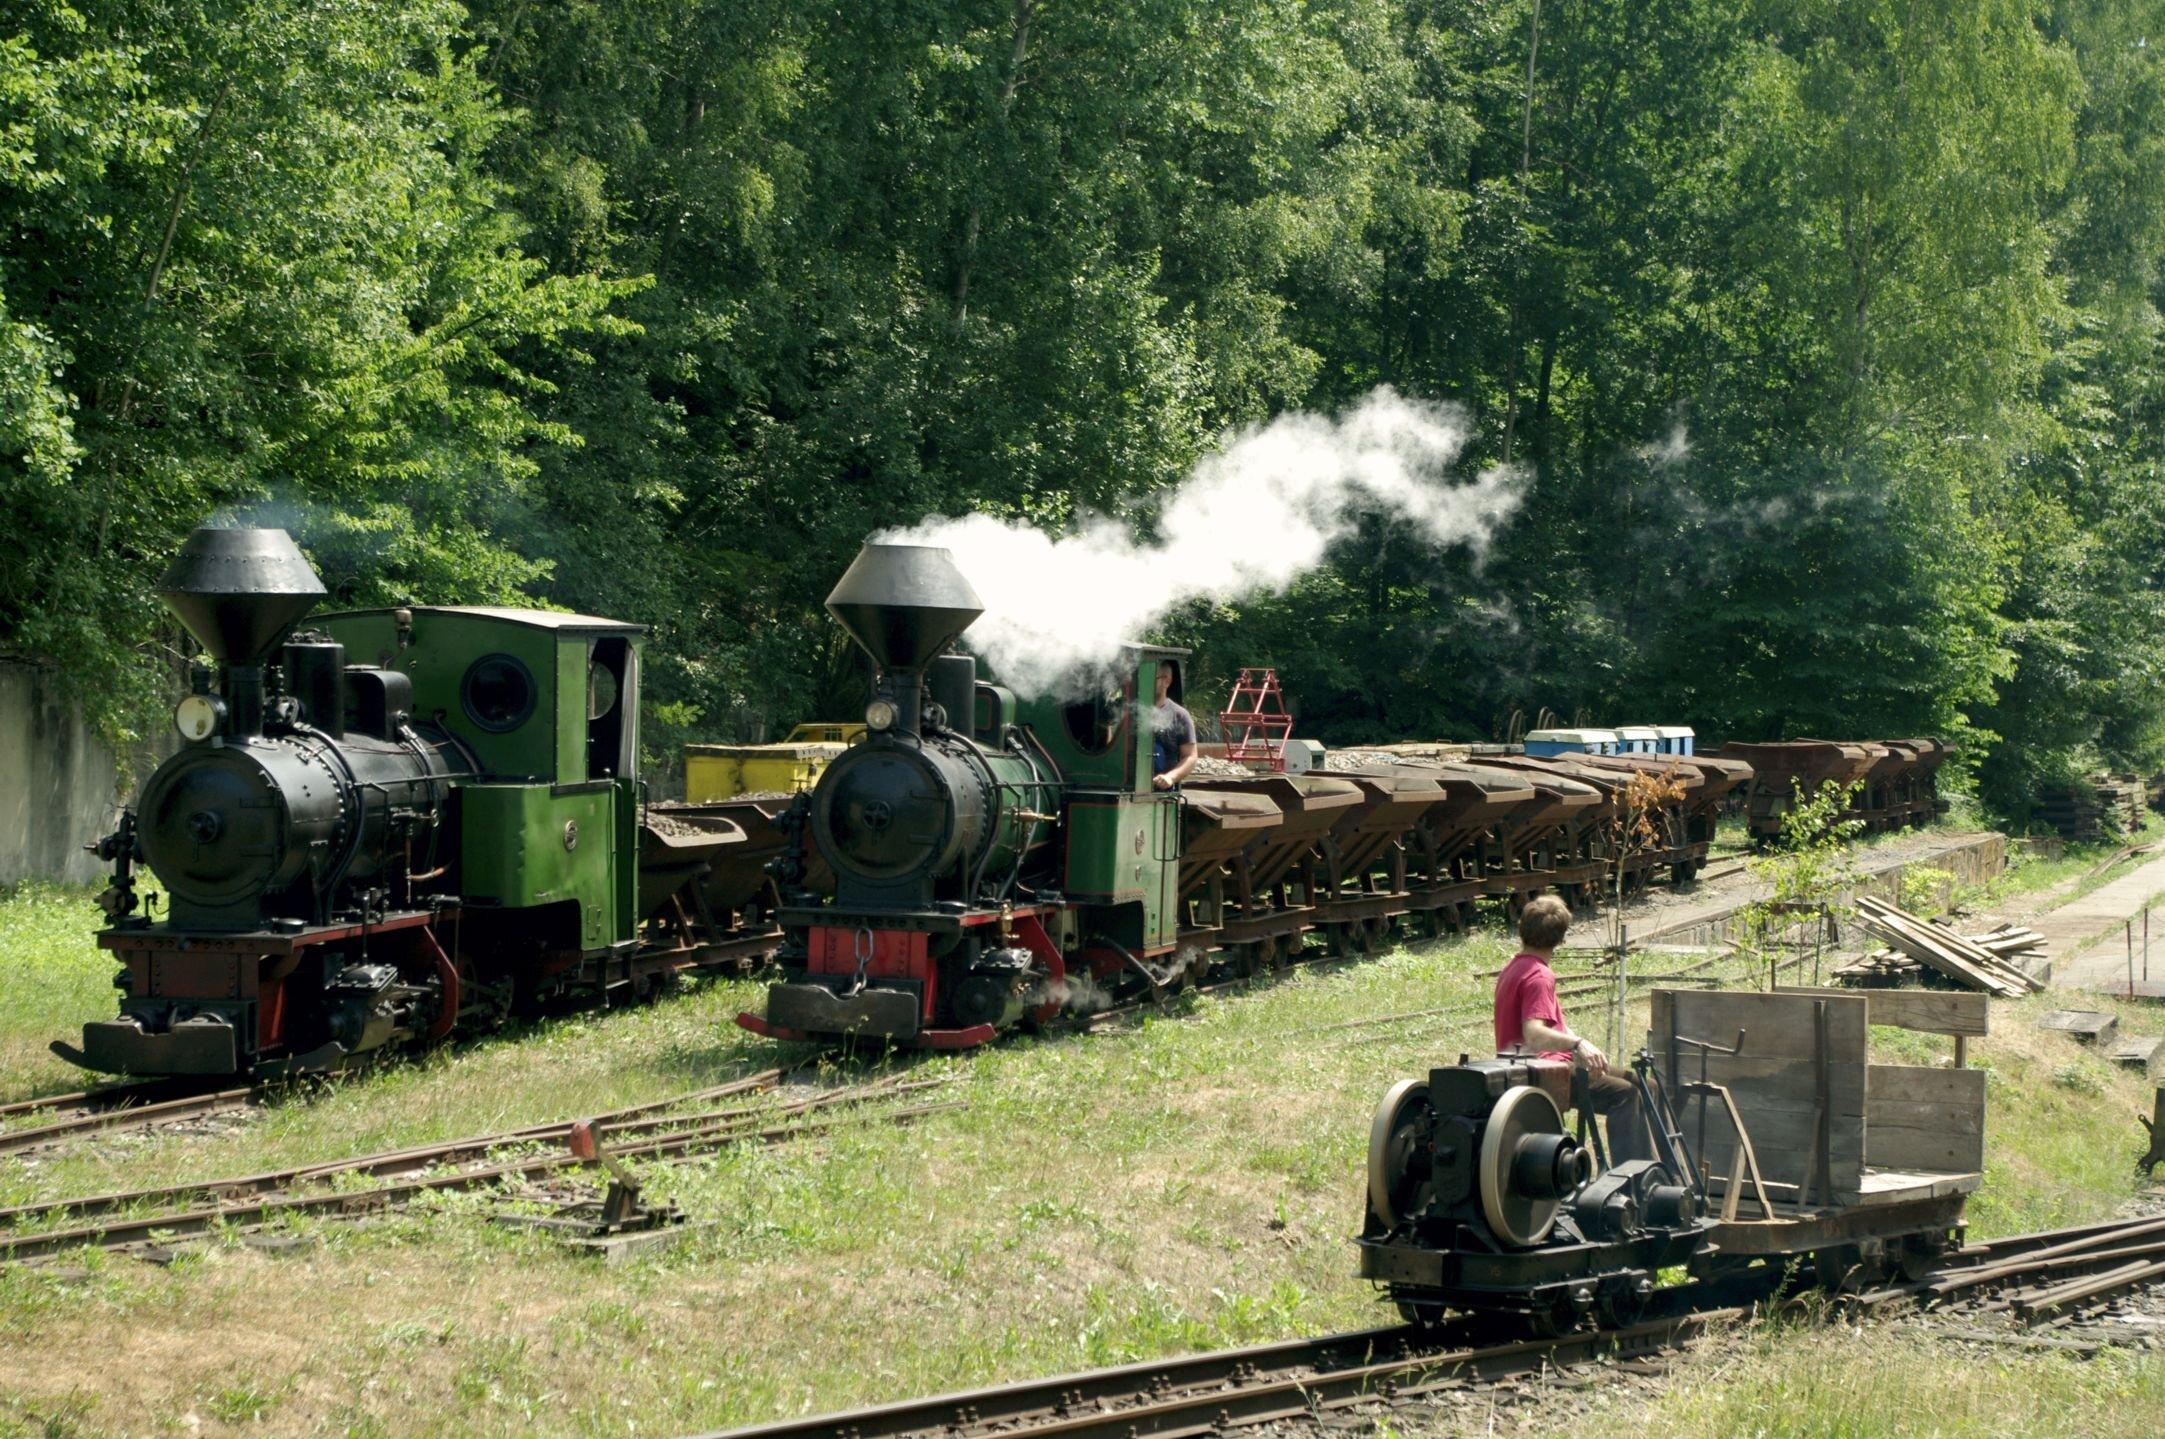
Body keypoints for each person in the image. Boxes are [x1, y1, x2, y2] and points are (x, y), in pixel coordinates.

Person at [1493, 893, 1645, 1163]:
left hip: (1523, 1067)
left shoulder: (1514, 967)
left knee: (1644, 1084)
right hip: (1545, 1072)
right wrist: (1577, 1044)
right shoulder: (1540, 975)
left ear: (1523, 931)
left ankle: (1653, 1164)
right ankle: (1632, 1177)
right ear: (1560, 939)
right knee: (1627, 1095)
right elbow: (1534, 1033)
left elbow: (1553, 1024)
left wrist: (1580, 1043)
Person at [1146, 660, 1198, 789]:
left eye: (1151, 677)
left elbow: (1190, 756)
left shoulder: (1180, 716)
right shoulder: (1129, 712)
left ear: (1167, 681)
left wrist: (1170, 777)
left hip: (1161, 792)